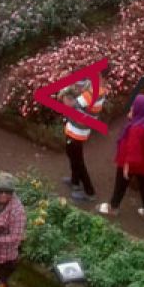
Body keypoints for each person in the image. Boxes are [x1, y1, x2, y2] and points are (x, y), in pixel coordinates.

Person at [97, 94, 144, 223]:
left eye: (134, 108)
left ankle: (113, 208)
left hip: (131, 164)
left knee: (120, 185)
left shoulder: (136, 129)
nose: (131, 110)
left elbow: (132, 149)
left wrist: (127, 166)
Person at [62, 74, 106, 202]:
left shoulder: (93, 93)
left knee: (77, 160)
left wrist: (65, 92)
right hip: (78, 129)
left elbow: (70, 104)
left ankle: (89, 192)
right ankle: (75, 181)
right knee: (72, 154)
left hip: (77, 131)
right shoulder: (98, 90)